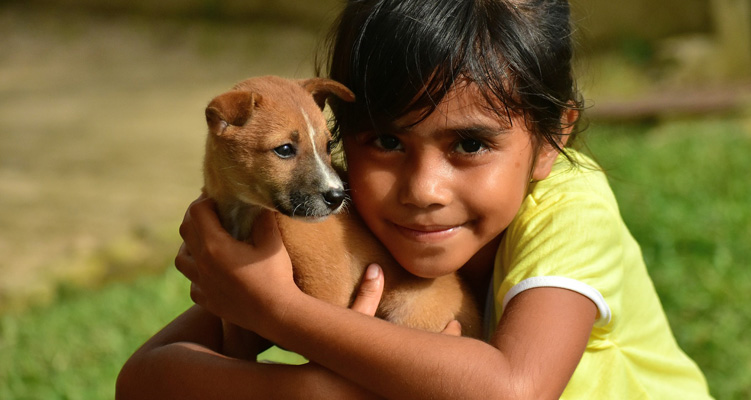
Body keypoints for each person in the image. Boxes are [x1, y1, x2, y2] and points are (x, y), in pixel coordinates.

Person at [117, 0, 713, 398]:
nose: (423, 191)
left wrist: (284, 315)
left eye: (472, 144)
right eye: (384, 141)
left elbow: (512, 390)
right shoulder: (340, 221)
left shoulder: (570, 208)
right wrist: (309, 388)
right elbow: (145, 381)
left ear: (550, 140)